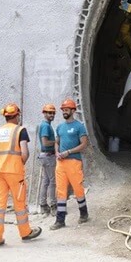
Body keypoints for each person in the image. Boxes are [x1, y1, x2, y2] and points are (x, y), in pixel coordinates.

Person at [0, 102, 42, 247]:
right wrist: (18, 163)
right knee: (19, 203)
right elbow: (24, 152)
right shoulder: (20, 130)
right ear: (16, 115)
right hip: (14, 172)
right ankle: (25, 233)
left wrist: (2, 161)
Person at [51, 98, 89, 229]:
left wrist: (68, 152)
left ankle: (84, 214)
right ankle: (60, 220)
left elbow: (84, 144)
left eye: (66, 110)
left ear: (73, 111)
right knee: (61, 191)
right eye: (63, 110)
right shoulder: (60, 127)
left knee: (78, 189)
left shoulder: (79, 126)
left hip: (74, 162)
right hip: (60, 163)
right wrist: (57, 152)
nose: (64, 112)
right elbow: (57, 142)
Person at [36, 103, 57, 216]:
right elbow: (45, 142)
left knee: (46, 181)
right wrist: (57, 141)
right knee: (52, 181)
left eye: (53, 113)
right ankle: (53, 206)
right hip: (48, 156)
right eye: (49, 113)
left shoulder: (46, 125)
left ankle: (43, 205)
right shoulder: (46, 126)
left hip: (45, 156)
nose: (51, 115)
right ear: (44, 113)